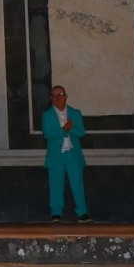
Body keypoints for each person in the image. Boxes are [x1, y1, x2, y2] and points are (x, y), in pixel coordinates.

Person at [41, 85, 92, 222]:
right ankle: (56, 212)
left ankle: (82, 212)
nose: (58, 98)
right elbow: (47, 134)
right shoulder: (47, 115)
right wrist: (63, 130)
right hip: (56, 156)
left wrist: (70, 128)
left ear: (66, 96)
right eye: (54, 95)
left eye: (60, 94)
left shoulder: (75, 113)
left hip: (73, 155)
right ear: (51, 98)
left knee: (77, 184)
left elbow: (81, 132)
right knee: (56, 184)